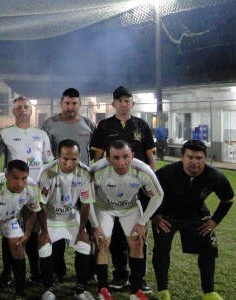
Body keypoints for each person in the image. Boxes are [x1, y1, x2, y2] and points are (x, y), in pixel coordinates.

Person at [89, 86, 156, 293]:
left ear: (132, 104)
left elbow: (150, 156)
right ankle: (120, 274)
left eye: (128, 100)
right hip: (110, 187)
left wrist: (150, 181)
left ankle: (140, 277)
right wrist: (96, 181)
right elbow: (98, 157)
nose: (124, 104)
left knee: (138, 232)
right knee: (115, 233)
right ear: (113, 104)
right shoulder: (105, 125)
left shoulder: (142, 125)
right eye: (120, 101)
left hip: (137, 186)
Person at [152, 140, 235, 300]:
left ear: (205, 158)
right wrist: (155, 215)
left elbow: (228, 199)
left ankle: (209, 292)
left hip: (196, 215)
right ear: (182, 157)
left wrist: (214, 221)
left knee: (209, 250)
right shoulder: (166, 173)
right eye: (190, 157)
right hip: (167, 216)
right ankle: (163, 291)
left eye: (199, 158)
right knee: (161, 250)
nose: (194, 162)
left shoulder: (215, 176)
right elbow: (146, 193)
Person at [90, 140, 163, 300]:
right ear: (108, 159)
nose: (122, 162)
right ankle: (103, 290)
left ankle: (136, 291)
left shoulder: (142, 170)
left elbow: (158, 195)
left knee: (137, 242)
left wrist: (142, 222)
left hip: (130, 208)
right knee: (102, 242)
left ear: (133, 156)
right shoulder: (97, 170)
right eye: (116, 158)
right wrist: (95, 226)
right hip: (104, 208)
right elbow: (87, 199)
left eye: (126, 157)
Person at [0, 96, 55, 286]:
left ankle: (35, 272)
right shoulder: (5, 133)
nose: (22, 110)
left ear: (31, 111)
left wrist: (46, 189)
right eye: (18, 107)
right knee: (10, 232)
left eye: (26, 107)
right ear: (13, 111)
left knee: (34, 232)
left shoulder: (41, 134)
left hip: (35, 192)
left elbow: (49, 164)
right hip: (14, 192)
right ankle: (7, 273)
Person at [41, 88, 96, 282]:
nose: (70, 107)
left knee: (86, 226)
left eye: (74, 103)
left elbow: (96, 154)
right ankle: (58, 270)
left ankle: (89, 271)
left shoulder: (88, 124)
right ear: (60, 103)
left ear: (80, 104)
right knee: (55, 223)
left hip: (81, 181)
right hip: (57, 180)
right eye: (67, 103)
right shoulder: (49, 124)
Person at [37, 139, 96, 300]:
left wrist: (83, 229)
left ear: (79, 157)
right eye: (65, 159)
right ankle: (48, 290)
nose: (69, 163)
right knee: (44, 248)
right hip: (50, 218)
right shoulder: (47, 172)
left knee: (84, 246)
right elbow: (40, 204)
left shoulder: (84, 172)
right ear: (58, 156)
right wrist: (44, 231)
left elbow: (85, 204)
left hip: (71, 217)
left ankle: (81, 290)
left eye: (74, 159)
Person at [0, 159, 42, 300]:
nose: (20, 183)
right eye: (15, 178)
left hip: (10, 217)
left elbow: (33, 210)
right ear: (7, 175)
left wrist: (28, 233)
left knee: (18, 248)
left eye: (24, 178)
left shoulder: (31, 187)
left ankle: (19, 293)